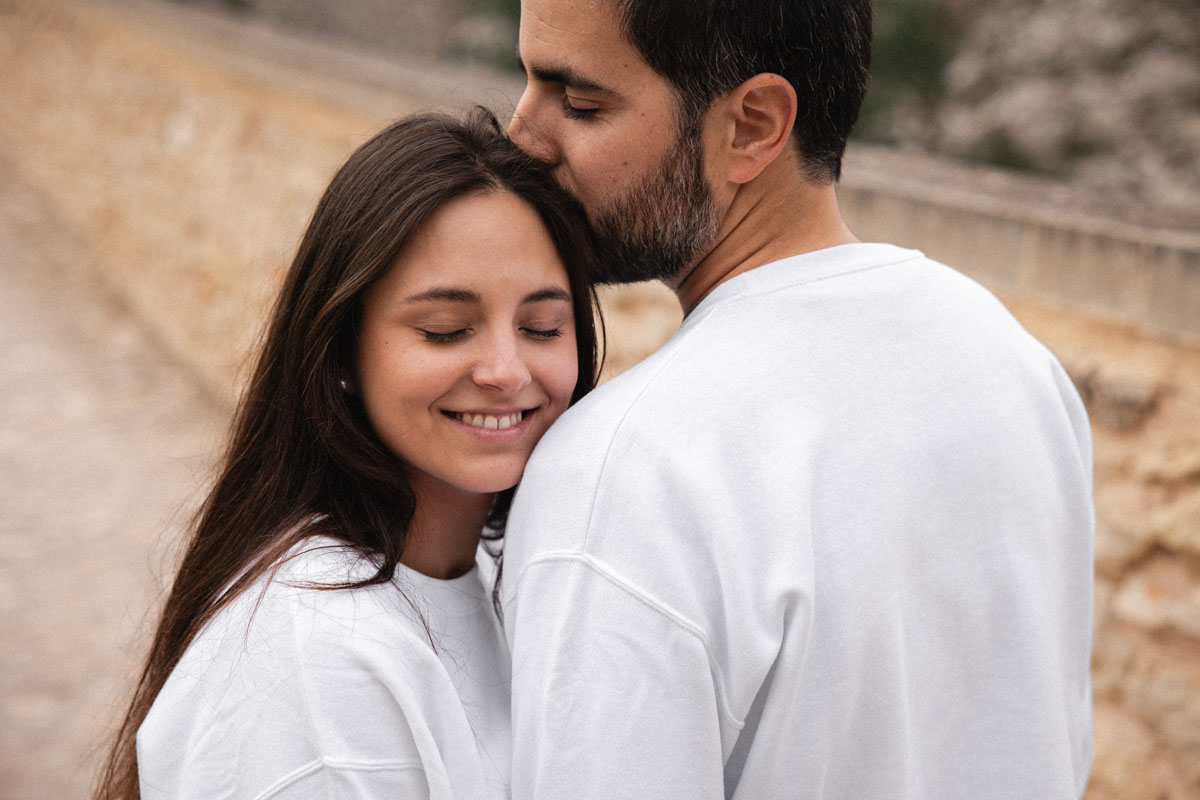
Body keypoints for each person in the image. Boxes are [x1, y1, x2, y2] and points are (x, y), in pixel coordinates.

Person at [500, 0, 1095, 798]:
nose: (521, 138)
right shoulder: (1014, 366)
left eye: (579, 103)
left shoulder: (626, 471)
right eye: (526, 82)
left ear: (752, 126)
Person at [93, 108, 599, 800]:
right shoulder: (311, 651)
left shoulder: (494, 574)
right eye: (445, 330)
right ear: (339, 352)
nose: (507, 372)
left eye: (542, 327)